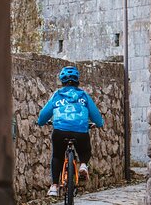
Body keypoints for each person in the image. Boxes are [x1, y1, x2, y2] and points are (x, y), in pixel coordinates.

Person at [37, 66, 104, 197]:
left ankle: (54, 186)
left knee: (57, 156)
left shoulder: (57, 95)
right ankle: (83, 165)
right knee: (85, 150)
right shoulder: (83, 95)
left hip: (60, 130)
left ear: (61, 81)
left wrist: (40, 122)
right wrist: (99, 124)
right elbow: (96, 115)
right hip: (80, 131)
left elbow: (44, 114)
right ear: (77, 80)